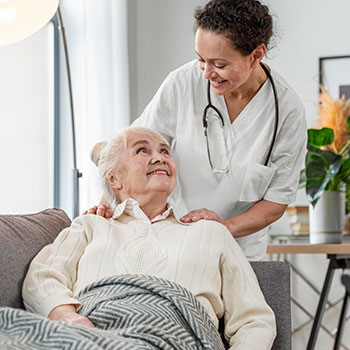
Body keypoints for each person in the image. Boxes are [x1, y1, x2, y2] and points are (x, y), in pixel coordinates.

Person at [87, 0, 307, 261]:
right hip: (171, 239)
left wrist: (222, 229)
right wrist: (107, 200)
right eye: (201, 60)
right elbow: (132, 147)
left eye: (219, 64)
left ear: (256, 55)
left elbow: (275, 203)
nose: (206, 73)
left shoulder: (287, 112)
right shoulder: (182, 83)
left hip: (239, 250)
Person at [22, 127, 276, 349]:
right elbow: (42, 276)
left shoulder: (210, 231)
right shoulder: (90, 225)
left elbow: (255, 320)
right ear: (114, 178)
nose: (159, 158)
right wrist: (67, 316)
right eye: (142, 151)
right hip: (92, 336)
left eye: (165, 152)